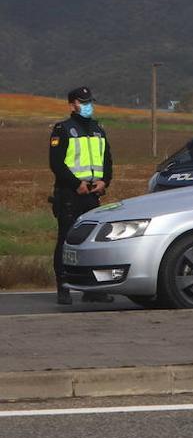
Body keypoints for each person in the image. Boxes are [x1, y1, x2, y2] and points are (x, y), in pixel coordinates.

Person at [49, 86, 114, 305]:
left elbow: (107, 160)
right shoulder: (63, 129)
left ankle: (93, 289)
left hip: (93, 195)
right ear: (71, 105)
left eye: (89, 101)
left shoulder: (98, 129)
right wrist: (76, 184)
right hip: (70, 194)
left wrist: (104, 181)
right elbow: (56, 163)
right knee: (66, 240)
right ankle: (63, 287)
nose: (87, 105)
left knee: (94, 241)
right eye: (82, 101)